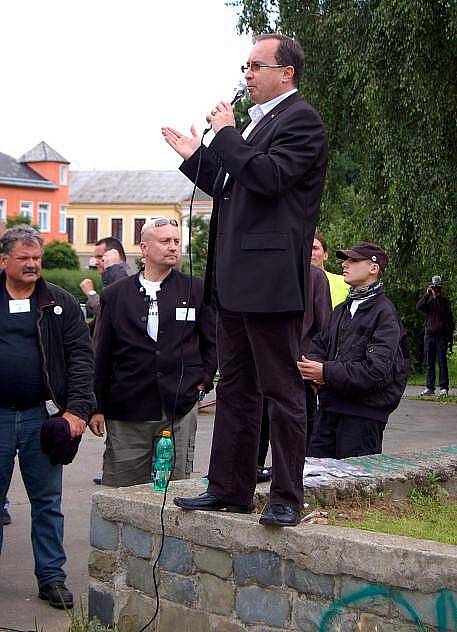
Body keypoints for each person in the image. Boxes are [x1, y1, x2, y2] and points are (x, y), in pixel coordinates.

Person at [163, 33, 328, 526]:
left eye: (256, 66)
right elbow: (232, 185)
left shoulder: (302, 122)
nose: (247, 75)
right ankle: (229, 488)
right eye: (245, 66)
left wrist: (228, 135)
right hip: (233, 281)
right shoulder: (257, 127)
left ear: (286, 73)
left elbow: (269, 178)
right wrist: (198, 156)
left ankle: (285, 496)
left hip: (271, 280)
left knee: (281, 389)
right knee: (235, 386)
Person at [0, 225, 94, 609]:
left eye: (36, 259)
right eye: (24, 259)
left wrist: (77, 411)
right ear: (4, 260)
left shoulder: (59, 302)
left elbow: (82, 359)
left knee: (48, 501)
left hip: (44, 417)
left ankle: (52, 578)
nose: (32, 265)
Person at [90, 218, 217, 485]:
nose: (173, 247)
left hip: (179, 407)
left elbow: (212, 341)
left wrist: (203, 380)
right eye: (165, 241)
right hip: (127, 409)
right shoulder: (115, 294)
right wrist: (96, 406)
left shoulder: (194, 289)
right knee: (123, 491)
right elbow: (102, 353)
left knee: (174, 489)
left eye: (176, 241)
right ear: (144, 248)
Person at [298, 242, 409, 459]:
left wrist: (325, 373)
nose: (345, 265)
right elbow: (318, 345)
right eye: (345, 260)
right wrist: (313, 374)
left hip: (363, 416)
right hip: (329, 410)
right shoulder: (342, 310)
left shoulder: (385, 313)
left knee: (354, 484)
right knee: (315, 481)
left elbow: (376, 371)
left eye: (354, 260)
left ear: (373, 268)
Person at [257, 263, 332, 480]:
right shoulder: (259, 272)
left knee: (294, 438)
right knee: (257, 432)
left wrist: (315, 373)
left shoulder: (314, 276)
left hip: (298, 373)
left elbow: (324, 328)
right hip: (261, 370)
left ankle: (292, 482)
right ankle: (253, 476)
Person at [80, 236, 129, 350]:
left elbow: (110, 311)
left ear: (117, 257)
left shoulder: (126, 279)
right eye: (94, 257)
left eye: (100, 257)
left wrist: (91, 294)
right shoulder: (110, 278)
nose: (96, 262)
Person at [416, 275, 454, 397]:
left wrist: (436, 296)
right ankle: (429, 387)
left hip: (441, 336)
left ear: (440, 287)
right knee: (430, 363)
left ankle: (444, 388)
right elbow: (419, 306)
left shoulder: (444, 300)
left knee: (442, 363)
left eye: (437, 286)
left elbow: (445, 313)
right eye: (434, 286)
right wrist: (427, 294)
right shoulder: (428, 300)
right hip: (429, 335)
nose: (435, 288)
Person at [311, 234, 348, 307]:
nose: (311, 253)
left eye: (315, 248)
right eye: (307, 248)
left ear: (325, 255)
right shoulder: (293, 284)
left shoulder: (344, 282)